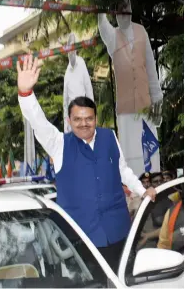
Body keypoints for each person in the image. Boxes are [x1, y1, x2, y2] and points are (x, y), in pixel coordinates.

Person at [17, 54, 156, 273]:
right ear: (69, 120)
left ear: (95, 119)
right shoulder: (59, 144)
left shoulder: (109, 137)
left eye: (89, 118)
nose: (84, 124)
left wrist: (142, 190)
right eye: (78, 119)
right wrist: (26, 93)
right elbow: (38, 122)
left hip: (120, 233)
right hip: (81, 242)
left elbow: (123, 171)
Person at [98, 0, 163, 176]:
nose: (123, 12)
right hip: (126, 111)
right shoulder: (112, 36)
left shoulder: (141, 31)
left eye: (125, 7)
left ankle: (155, 188)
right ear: (115, 13)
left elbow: (150, 68)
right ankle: (135, 192)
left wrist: (157, 99)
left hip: (146, 107)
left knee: (150, 152)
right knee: (131, 156)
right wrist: (101, 11)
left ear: (131, 10)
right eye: (119, 9)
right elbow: (103, 25)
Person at [63, 33, 94, 133]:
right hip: (72, 116)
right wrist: (66, 123)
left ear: (76, 49)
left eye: (73, 48)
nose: (71, 52)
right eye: (69, 49)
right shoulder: (67, 72)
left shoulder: (81, 63)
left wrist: (92, 113)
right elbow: (65, 100)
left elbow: (88, 88)